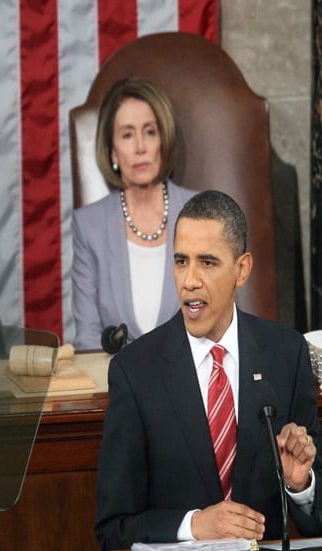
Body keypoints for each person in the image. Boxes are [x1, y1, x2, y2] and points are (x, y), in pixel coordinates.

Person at [95, 190, 322, 551]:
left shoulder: (285, 354)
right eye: (180, 262)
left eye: (207, 262)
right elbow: (112, 530)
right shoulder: (135, 372)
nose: (189, 280)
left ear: (242, 269)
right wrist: (194, 525)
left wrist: (300, 485)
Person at [71, 77, 196, 350]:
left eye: (150, 132)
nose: (140, 146)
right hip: (117, 385)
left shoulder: (201, 216)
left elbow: (223, 322)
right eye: (127, 135)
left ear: (163, 140)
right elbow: (88, 341)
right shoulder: (88, 227)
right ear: (113, 152)